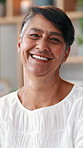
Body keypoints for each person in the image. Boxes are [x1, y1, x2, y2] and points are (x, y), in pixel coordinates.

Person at [0, 5, 83, 148]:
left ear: (66, 53)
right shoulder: (3, 110)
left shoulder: (79, 106)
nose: (42, 46)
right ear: (20, 43)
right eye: (34, 36)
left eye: (54, 39)